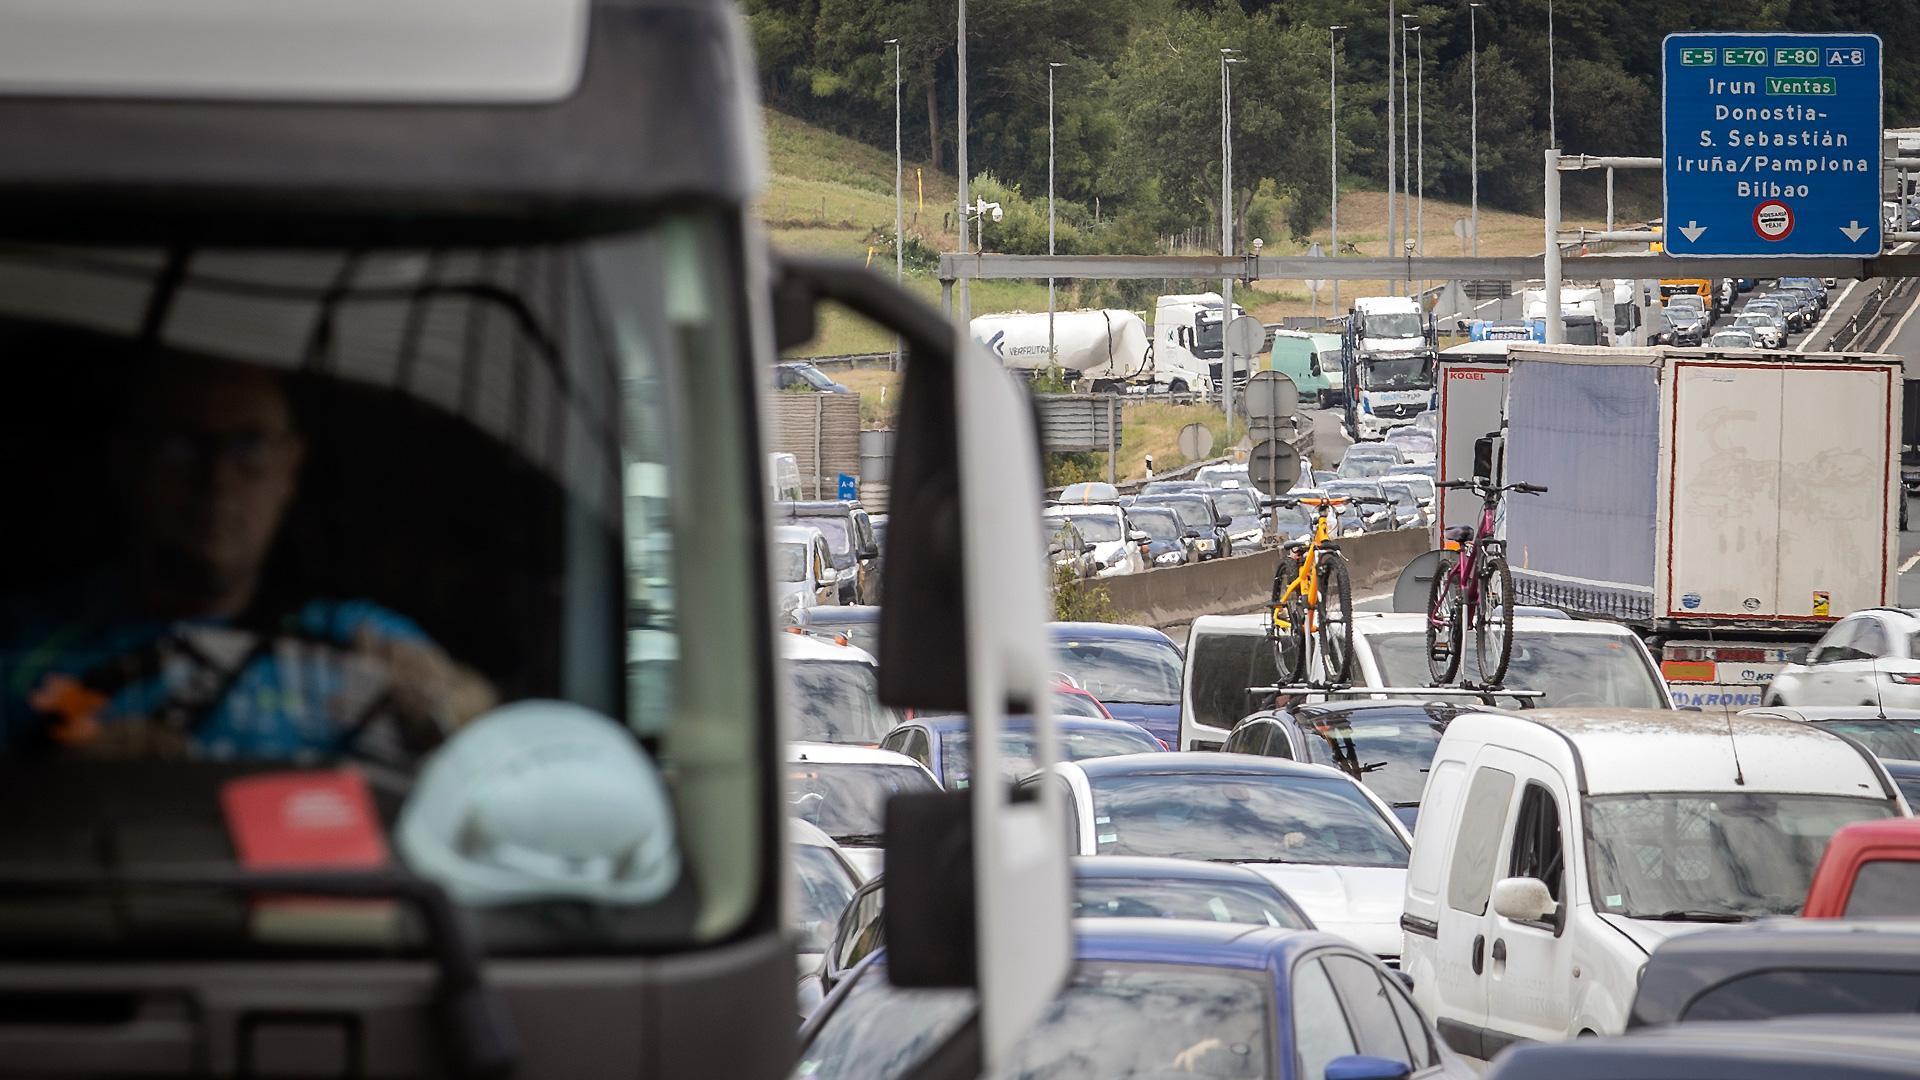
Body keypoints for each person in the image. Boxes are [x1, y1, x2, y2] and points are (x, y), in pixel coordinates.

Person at [0, 355, 495, 761]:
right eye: (182, 446)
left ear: (290, 468)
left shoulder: (349, 641)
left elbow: (485, 731)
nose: (217, 481)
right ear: (128, 460)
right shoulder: (26, 647)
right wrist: (55, 784)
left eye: (249, 448)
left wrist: (448, 713)